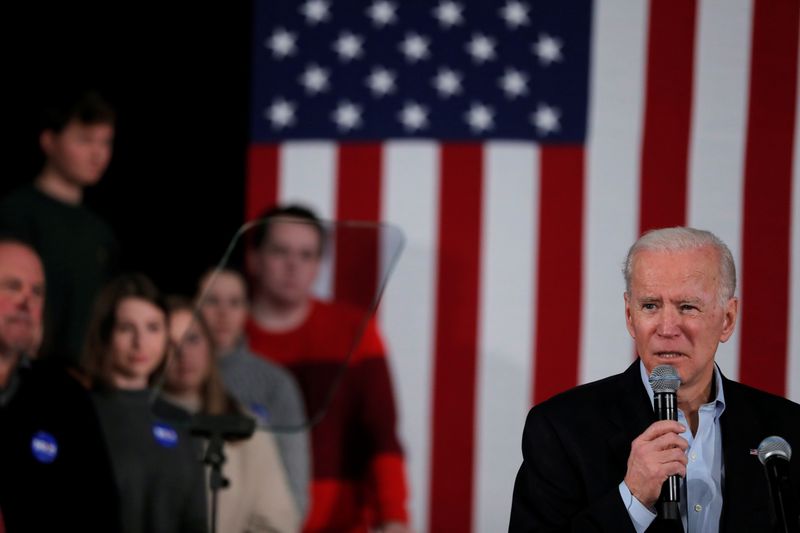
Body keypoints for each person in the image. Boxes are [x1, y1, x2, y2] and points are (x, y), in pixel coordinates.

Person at [509, 227, 800, 532]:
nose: (667, 328)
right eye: (650, 305)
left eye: (687, 307)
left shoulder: (787, 428)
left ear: (727, 319)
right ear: (629, 316)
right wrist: (632, 498)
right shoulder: (560, 429)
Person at [245, 205, 410, 533]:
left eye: (307, 255)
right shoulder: (229, 336)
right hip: (249, 520)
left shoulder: (354, 330)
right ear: (255, 258)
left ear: (319, 265)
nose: (293, 266)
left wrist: (394, 517)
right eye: (281, 251)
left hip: (341, 523)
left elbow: (382, 433)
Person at [0, 237, 121, 532]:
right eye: (13, 286)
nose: (27, 301)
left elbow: (101, 512)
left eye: (37, 292)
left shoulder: (65, 396)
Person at [0, 89, 119, 367]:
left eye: (106, 142)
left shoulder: (101, 232)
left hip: (83, 375)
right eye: (85, 140)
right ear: (50, 141)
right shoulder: (16, 213)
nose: (97, 154)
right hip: (25, 367)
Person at [162, 296, 301, 533]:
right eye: (170, 343)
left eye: (193, 339)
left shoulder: (244, 424)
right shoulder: (140, 420)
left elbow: (276, 521)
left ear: (209, 344)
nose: (183, 354)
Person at [83, 273, 207, 533]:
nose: (141, 342)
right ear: (105, 334)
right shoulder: (81, 413)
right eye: (126, 328)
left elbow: (195, 520)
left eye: (153, 327)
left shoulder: (181, 420)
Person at [197, 267, 310, 518]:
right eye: (212, 301)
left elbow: (295, 485)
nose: (223, 314)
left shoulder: (276, 383)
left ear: (246, 310)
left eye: (234, 303)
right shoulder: (171, 376)